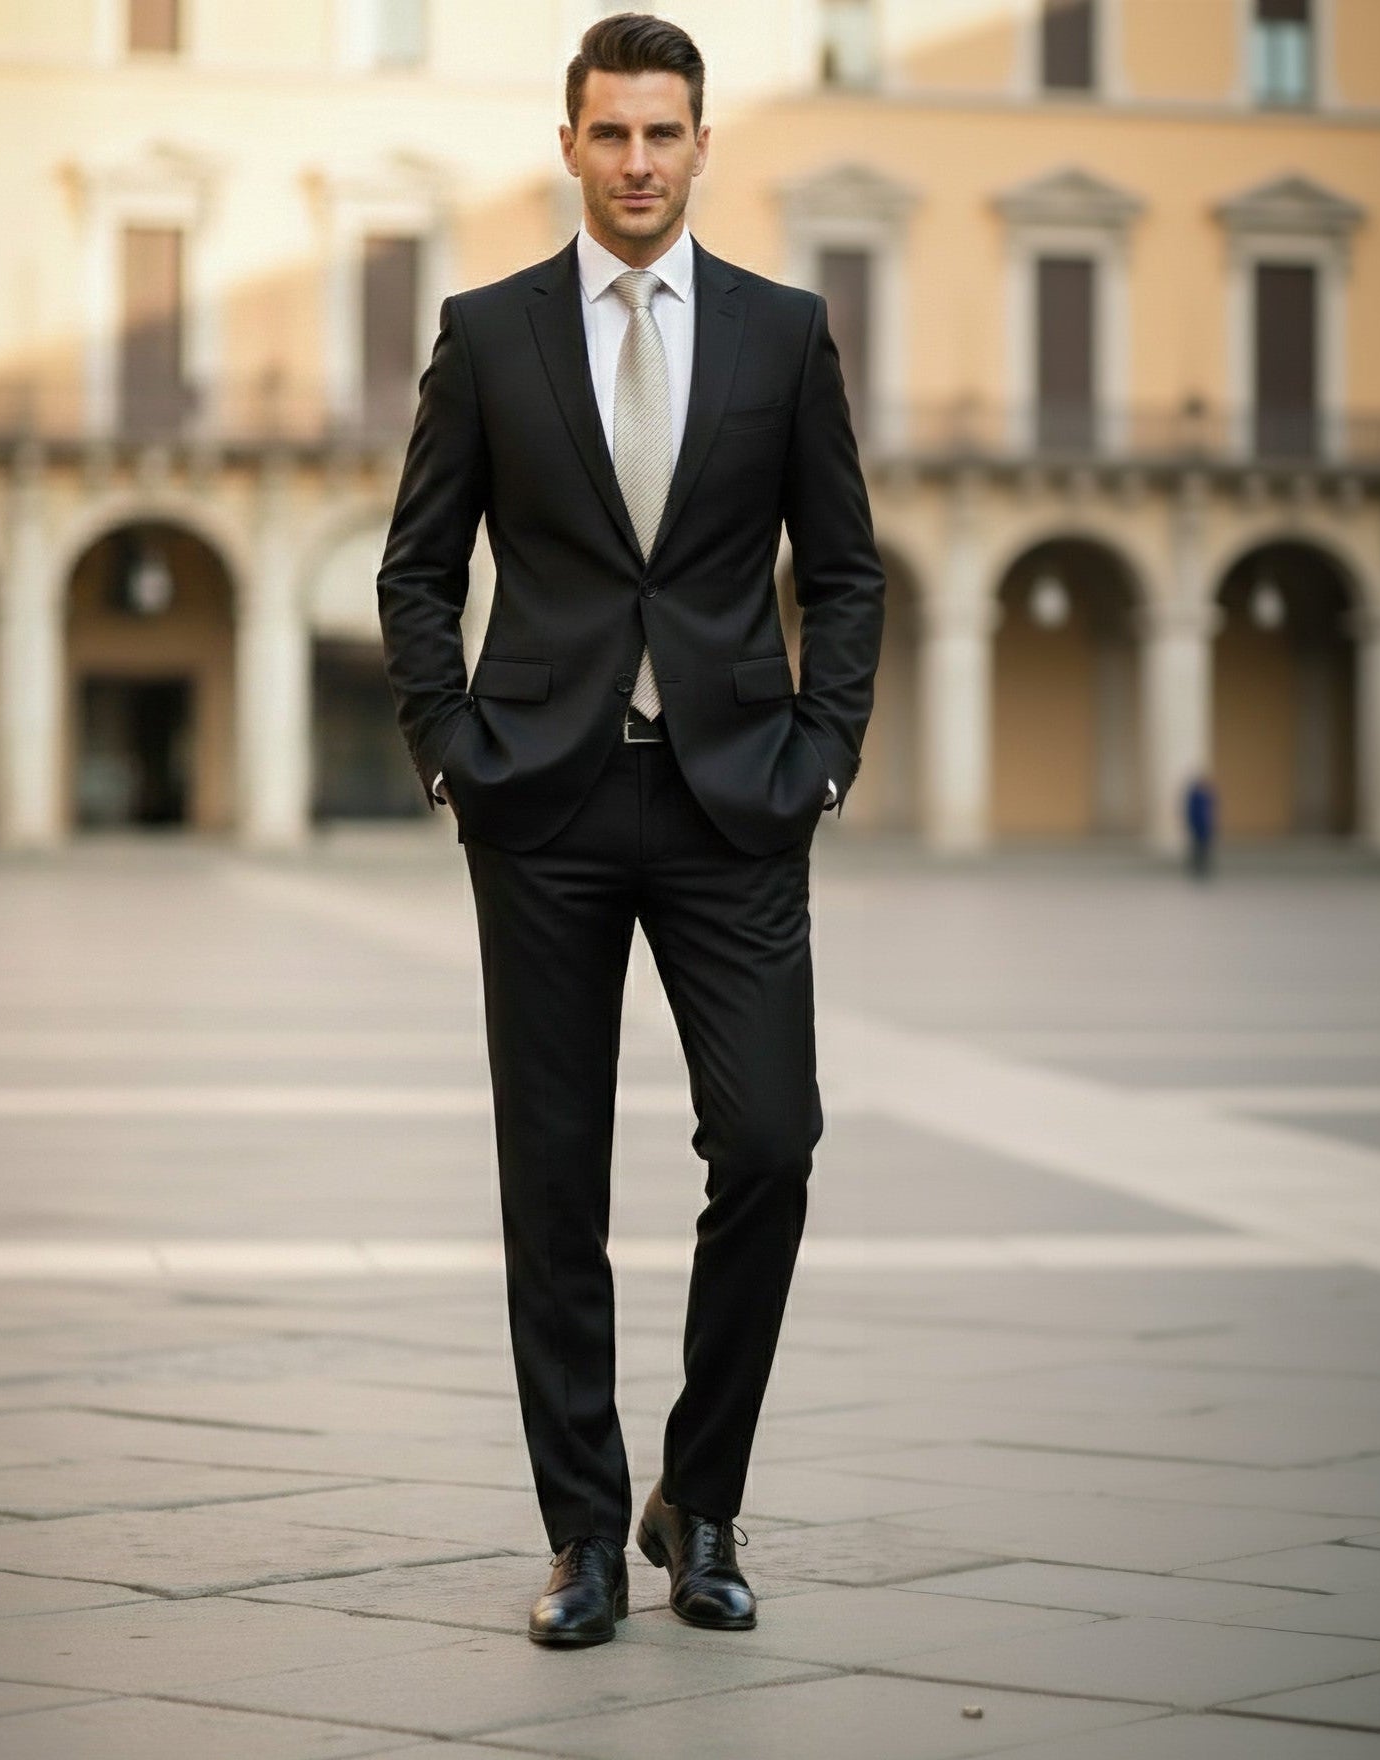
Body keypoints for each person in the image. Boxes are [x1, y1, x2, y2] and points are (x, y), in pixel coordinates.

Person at [376, 12, 884, 1647]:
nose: (638, 161)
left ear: (701, 144)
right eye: (610, 134)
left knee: (770, 1143)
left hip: (735, 799)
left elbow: (845, 569)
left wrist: (822, 754)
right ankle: (586, 1537)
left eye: (664, 133)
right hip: (545, 799)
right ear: (570, 145)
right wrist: (451, 750)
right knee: (551, 1177)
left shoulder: (779, 333)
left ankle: (701, 1497)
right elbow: (414, 566)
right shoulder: (490, 331)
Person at [1185, 773, 1217, 879]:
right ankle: (1196, 867)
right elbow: (1191, 812)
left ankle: (1204, 866)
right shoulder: (1194, 796)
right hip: (1197, 826)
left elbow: (1211, 811)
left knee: (1205, 847)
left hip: (1206, 826)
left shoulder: (1208, 795)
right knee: (1197, 847)